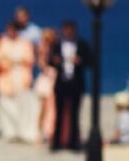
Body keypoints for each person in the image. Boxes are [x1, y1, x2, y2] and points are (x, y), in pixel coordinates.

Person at [50, 20, 93, 152]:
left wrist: (80, 61)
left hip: (76, 83)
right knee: (58, 113)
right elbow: (49, 60)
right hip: (61, 83)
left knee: (75, 114)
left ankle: (74, 143)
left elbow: (91, 61)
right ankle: (56, 143)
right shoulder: (57, 44)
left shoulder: (82, 44)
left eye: (70, 29)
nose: (68, 32)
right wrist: (55, 61)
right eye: (66, 29)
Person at [0, 21, 37, 143]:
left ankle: (23, 131)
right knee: (6, 105)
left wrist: (16, 61)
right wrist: (8, 62)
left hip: (20, 75)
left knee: (22, 106)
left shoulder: (25, 43)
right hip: (6, 76)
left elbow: (29, 59)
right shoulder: (3, 42)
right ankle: (10, 131)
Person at [34, 28, 58, 144]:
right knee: (43, 107)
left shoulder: (57, 49)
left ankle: (51, 132)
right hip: (46, 79)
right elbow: (41, 63)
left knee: (53, 108)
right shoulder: (42, 49)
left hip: (55, 78)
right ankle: (40, 132)